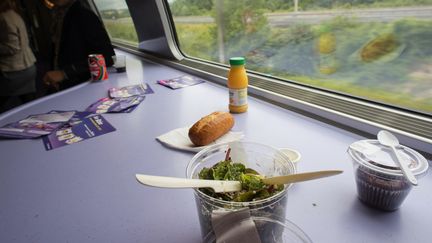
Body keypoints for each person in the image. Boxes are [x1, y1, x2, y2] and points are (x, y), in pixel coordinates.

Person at [43, 0, 115, 91]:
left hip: (83, 85)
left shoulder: (83, 15)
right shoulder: (59, 15)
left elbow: (107, 56)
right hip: (66, 83)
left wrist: (64, 73)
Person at [0, 0, 37, 113]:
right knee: (29, 102)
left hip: (14, 69)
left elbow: (13, 47)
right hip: (28, 65)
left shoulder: (3, 18)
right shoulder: (15, 15)